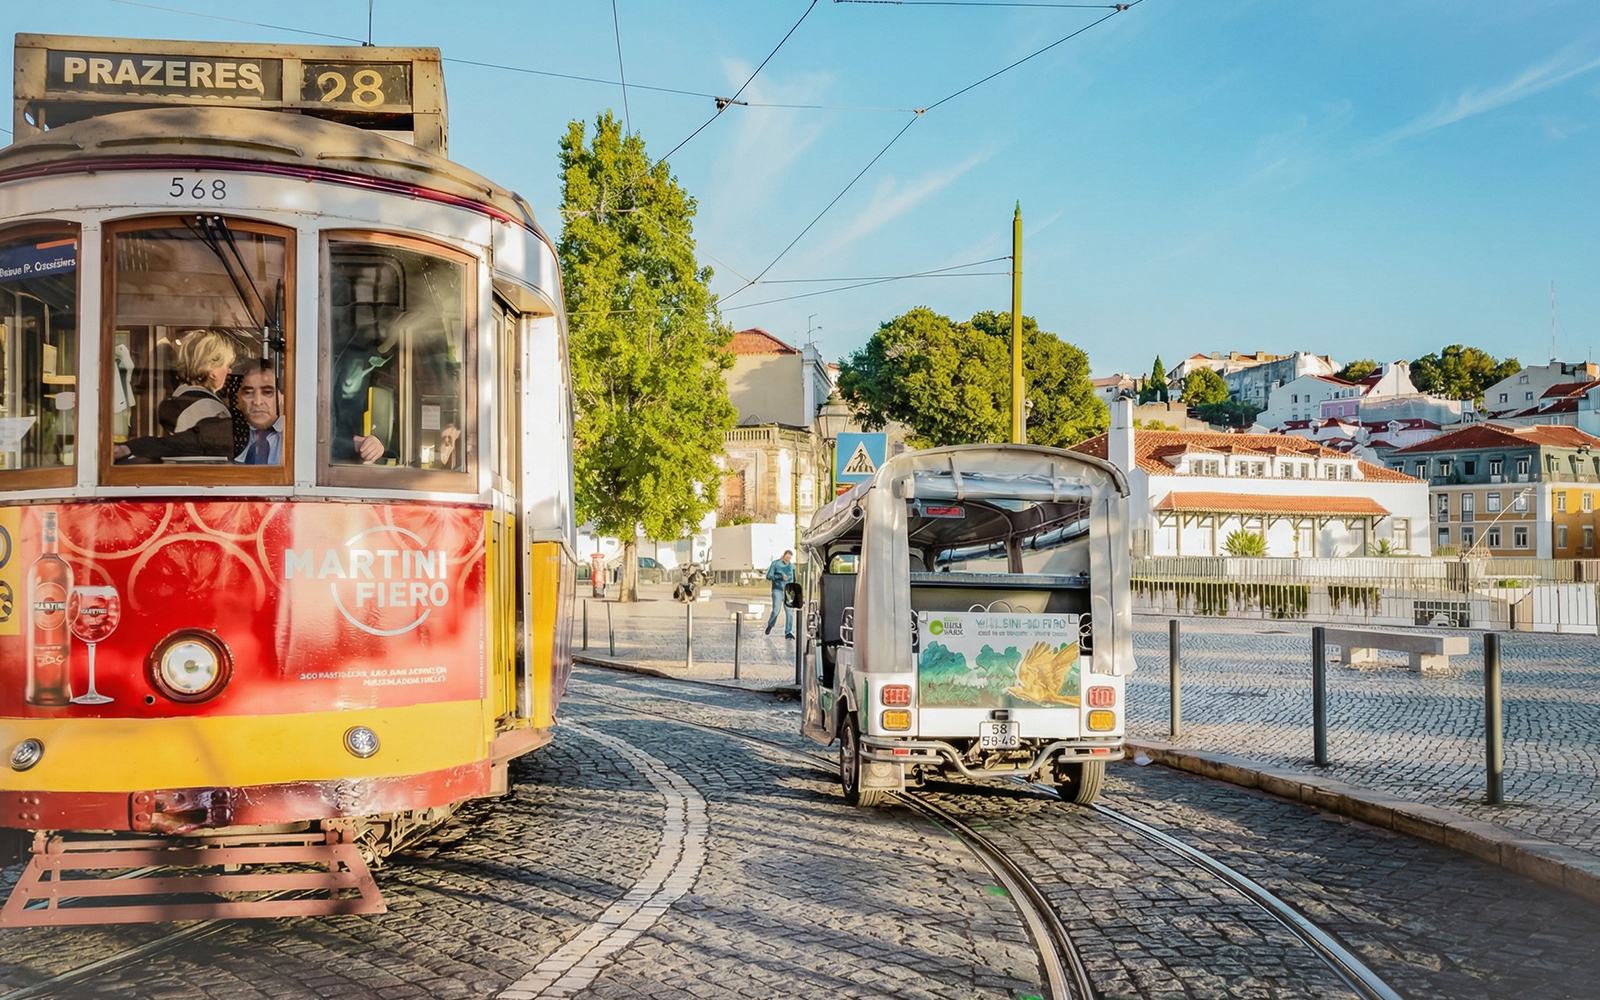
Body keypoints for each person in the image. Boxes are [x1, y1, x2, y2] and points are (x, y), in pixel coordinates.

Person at [160, 330, 236, 434]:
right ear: (211, 368)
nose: (229, 371)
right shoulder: (210, 410)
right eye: (227, 365)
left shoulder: (180, 396)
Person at [234, 361, 283, 465]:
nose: (257, 402)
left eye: (267, 392)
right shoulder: (230, 434)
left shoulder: (298, 436)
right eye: (248, 393)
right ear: (238, 397)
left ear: (283, 396)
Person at [764, 550, 796, 639]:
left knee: (789, 612)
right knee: (776, 610)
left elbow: (794, 580)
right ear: (783, 556)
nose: (787, 560)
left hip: (788, 591)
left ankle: (788, 632)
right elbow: (768, 576)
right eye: (786, 558)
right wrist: (780, 577)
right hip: (777, 590)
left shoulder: (792, 567)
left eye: (789, 558)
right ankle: (770, 624)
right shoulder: (775, 564)